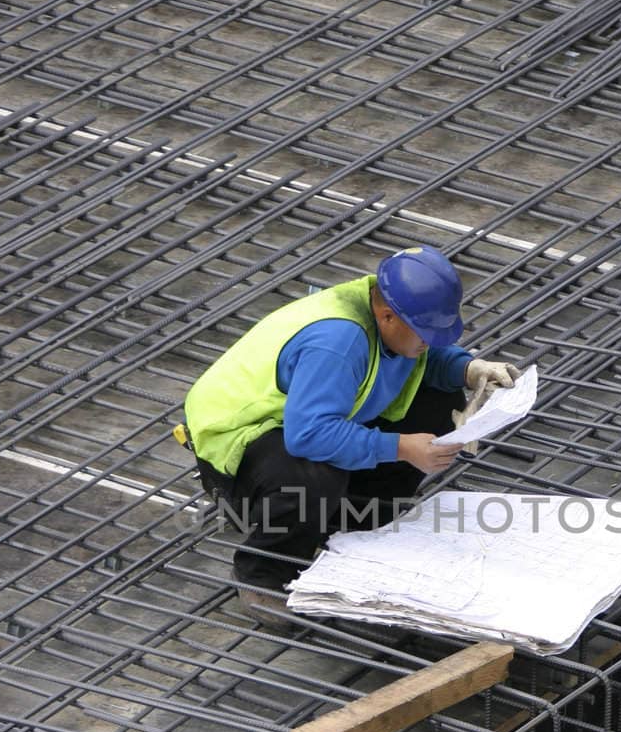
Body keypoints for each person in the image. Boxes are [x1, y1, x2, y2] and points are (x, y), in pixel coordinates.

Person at [182, 245, 521, 625]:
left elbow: (426, 357)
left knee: (437, 395)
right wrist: (401, 446)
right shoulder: (339, 342)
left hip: (299, 421)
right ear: (389, 316)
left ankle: (350, 516)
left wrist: (469, 369)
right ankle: (263, 573)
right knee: (312, 476)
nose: (431, 341)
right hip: (236, 444)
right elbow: (308, 435)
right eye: (426, 333)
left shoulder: (388, 312)